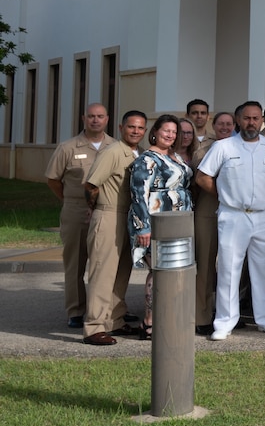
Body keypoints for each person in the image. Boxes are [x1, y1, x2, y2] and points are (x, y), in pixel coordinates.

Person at [195, 102, 265, 340]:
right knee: (228, 268)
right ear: (238, 120)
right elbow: (203, 177)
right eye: (247, 118)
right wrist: (225, 196)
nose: (252, 123)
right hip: (233, 215)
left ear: (261, 121)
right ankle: (225, 322)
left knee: (263, 269)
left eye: (256, 118)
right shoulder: (223, 147)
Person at [78, 111, 147, 346]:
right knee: (102, 273)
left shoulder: (138, 153)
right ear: (121, 127)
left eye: (140, 128)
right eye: (131, 127)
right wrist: (97, 209)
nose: (136, 131)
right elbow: (91, 185)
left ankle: (114, 320)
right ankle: (94, 327)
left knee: (121, 272)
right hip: (109, 215)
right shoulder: (113, 152)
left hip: (128, 217)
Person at [45, 101, 113, 328]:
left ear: (107, 120)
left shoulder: (114, 146)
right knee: (75, 262)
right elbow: (53, 180)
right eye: (91, 116)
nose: (96, 120)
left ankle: (105, 309)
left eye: (100, 116)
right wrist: (69, 200)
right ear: (84, 119)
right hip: (76, 210)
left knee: (104, 263)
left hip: (106, 209)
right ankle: (75, 310)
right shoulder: (68, 147)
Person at [125, 115, 193, 340]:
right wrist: (144, 227)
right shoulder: (146, 160)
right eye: (166, 130)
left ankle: (166, 318)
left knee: (171, 272)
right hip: (155, 222)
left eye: (174, 132)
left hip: (177, 222)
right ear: (155, 131)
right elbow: (138, 194)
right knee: (157, 270)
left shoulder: (173, 156)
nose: (170, 135)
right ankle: (149, 322)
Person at [189, 111, 228, 334]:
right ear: (215, 125)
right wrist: (224, 195)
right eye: (221, 123)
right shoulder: (204, 149)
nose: (224, 127)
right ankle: (201, 315)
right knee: (204, 264)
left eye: (229, 123)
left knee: (230, 266)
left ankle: (225, 313)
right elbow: (200, 179)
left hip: (234, 213)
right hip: (208, 210)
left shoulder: (239, 145)